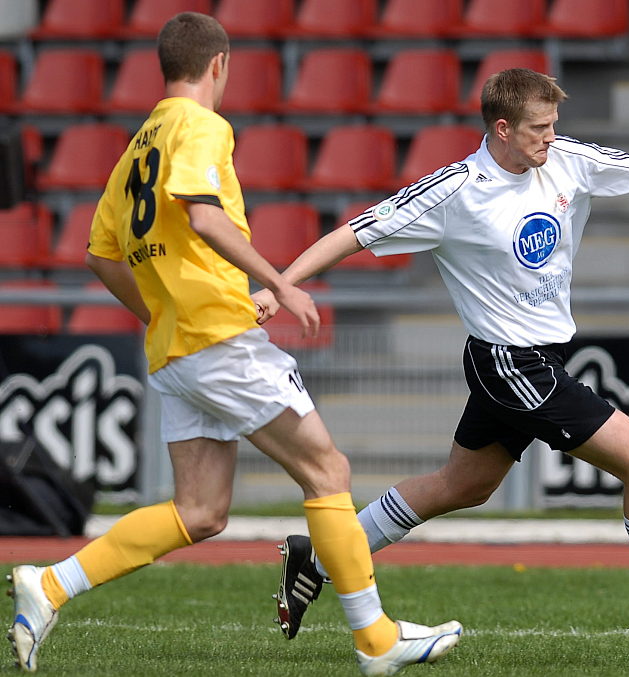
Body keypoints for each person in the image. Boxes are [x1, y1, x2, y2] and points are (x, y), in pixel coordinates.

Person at [5, 13, 461, 676]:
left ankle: (50, 584)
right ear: (219, 65)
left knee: (199, 510)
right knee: (327, 470)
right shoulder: (201, 125)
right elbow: (203, 213)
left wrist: (159, 312)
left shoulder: (135, 147)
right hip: (219, 336)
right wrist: (281, 282)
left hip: (175, 346)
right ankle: (375, 639)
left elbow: (99, 256)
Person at [254, 69, 629, 646]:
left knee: (462, 486)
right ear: (502, 129)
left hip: (540, 358)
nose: (551, 137)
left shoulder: (566, 160)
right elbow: (353, 232)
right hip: (510, 365)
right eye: (539, 128)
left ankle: (320, 557)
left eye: (553, 125)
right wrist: (279, 287)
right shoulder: (455, 191)